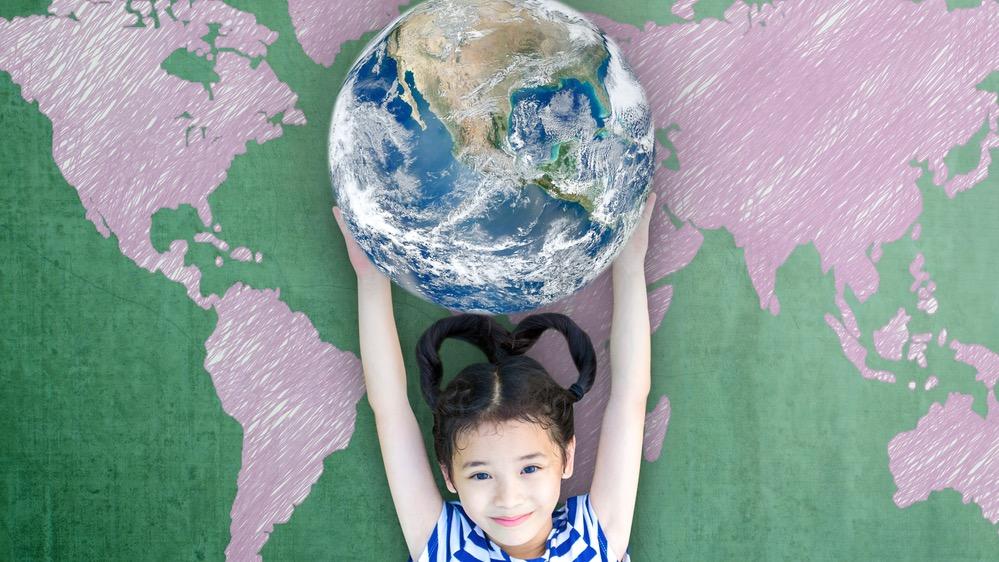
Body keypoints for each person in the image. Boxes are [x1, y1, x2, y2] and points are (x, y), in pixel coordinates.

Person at [332, 192, 656, 561]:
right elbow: (389, 407)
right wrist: (370, 276)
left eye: (530, 467)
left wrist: (630, 265)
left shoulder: (595, 537)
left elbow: (631, 398)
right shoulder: (443, 542)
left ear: (566, 458)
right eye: (481, 475)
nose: (508, 497)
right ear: (450, 476)